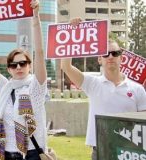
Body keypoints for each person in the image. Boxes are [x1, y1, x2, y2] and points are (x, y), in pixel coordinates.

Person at [61, 18, 146, 160]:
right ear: (100, 59)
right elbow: (66, 67)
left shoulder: (137, 89)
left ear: (121, 58)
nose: (111, 57)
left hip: (129, 152)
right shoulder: (92, 83)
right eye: (106, 54)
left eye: (115, 53)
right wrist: (71, 34)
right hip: (100, 151)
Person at [0, 0, 48, 159]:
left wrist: (36, 18)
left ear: (30, 65)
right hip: (6, 154)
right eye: (14, 65)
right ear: (8, 69)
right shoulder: (5, 87)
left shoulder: (36, 87)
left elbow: (40, 52)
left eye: (23, 63)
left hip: (32, 154)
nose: (19, 67)